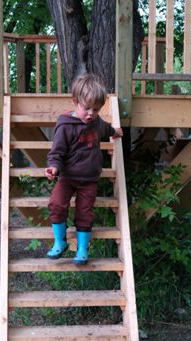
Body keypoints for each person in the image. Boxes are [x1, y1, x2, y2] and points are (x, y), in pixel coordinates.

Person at [45, 74, 123, 265]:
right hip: (67, 177)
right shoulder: (65, 126)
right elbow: (57, 151)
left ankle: (81, 248)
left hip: (89, 180)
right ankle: (60, 242)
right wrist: (53, 167)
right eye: (86, 108)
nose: (91, 114)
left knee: (85, 212)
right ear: (75, 102)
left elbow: (106, 128)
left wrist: (116, 132)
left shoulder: (96, 122)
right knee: (56, 204)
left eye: (96, 110)